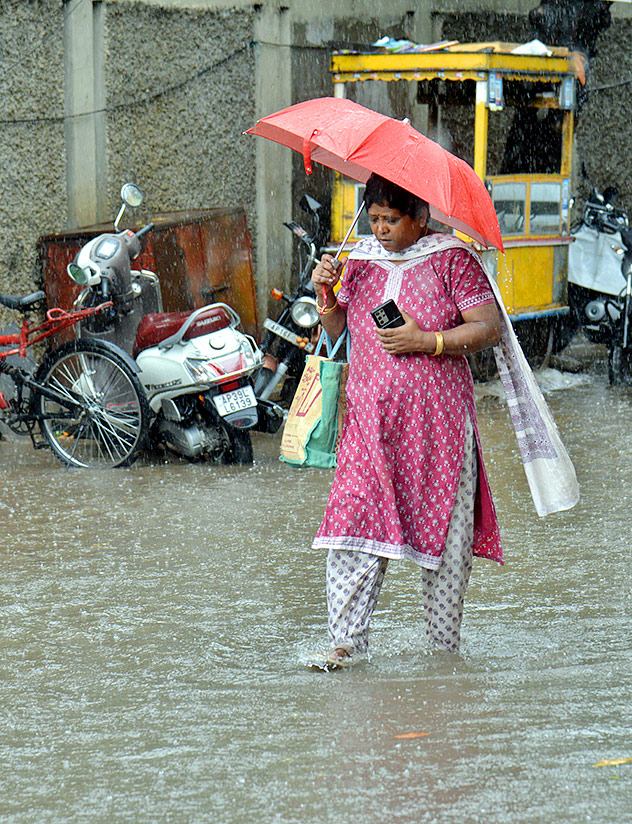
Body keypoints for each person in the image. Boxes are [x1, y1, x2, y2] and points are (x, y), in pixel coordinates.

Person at [310, 173, 503, 669]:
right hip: (370, 424)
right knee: (352, 521)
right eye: (374, 218)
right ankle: (346, 646)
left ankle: (443, 655)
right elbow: (339, 329)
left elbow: (488, 328)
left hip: (437, 426)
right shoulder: (359, 262)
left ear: (421, 217)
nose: (381, 230)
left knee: (446, 538)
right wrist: (325, 293)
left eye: (392, 220)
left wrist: (427, 341)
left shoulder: (452, 259)